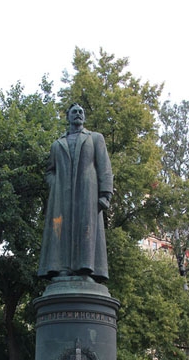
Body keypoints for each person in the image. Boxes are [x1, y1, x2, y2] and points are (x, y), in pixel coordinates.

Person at [38, 103, 113, 282]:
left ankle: (85, 271)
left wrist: (105, 194)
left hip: (87, 192)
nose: (78, 114)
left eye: (81, 112)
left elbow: (105, 167)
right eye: (74, 112)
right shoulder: (57, 144)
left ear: (84, 117)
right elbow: (50, 170)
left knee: (85, 228)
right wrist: (55, 183)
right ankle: (61, 269)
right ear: (68, 117)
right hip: (62, 196)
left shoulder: (95, 138)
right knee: (60, 229)